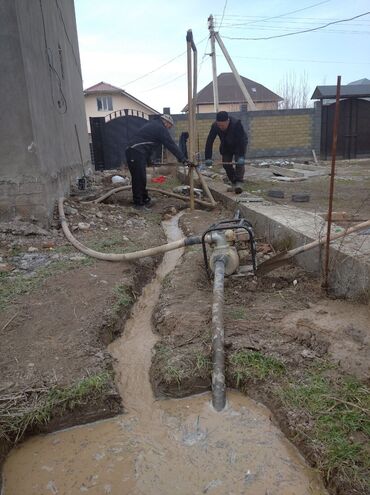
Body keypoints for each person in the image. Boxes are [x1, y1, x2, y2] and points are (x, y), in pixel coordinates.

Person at [126, 114, 193, 209]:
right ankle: (138, 204)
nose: (168, 129)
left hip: (137, 151)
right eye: (169, 127)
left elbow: (147, 144)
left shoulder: (154, 125)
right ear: (166, 122)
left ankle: (145, 200)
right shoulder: (160, 128)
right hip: (135, 152)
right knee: (138, 178)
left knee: (141, 177)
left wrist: (148, 160)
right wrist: (183, 159)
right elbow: (171, 144)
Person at [204, 111, 248, 194]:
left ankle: (239, 182)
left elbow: (241, 141)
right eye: (219, 125)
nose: (221, 127)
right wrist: (208, 157)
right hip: (226, 145)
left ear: (227, 121)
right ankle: (234, 182)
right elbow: (209, 141)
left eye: (223, 125)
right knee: (226, 164)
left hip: (239, 144)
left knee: (239, 163)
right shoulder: (215, 126)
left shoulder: (236, 124)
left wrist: (241, 156)